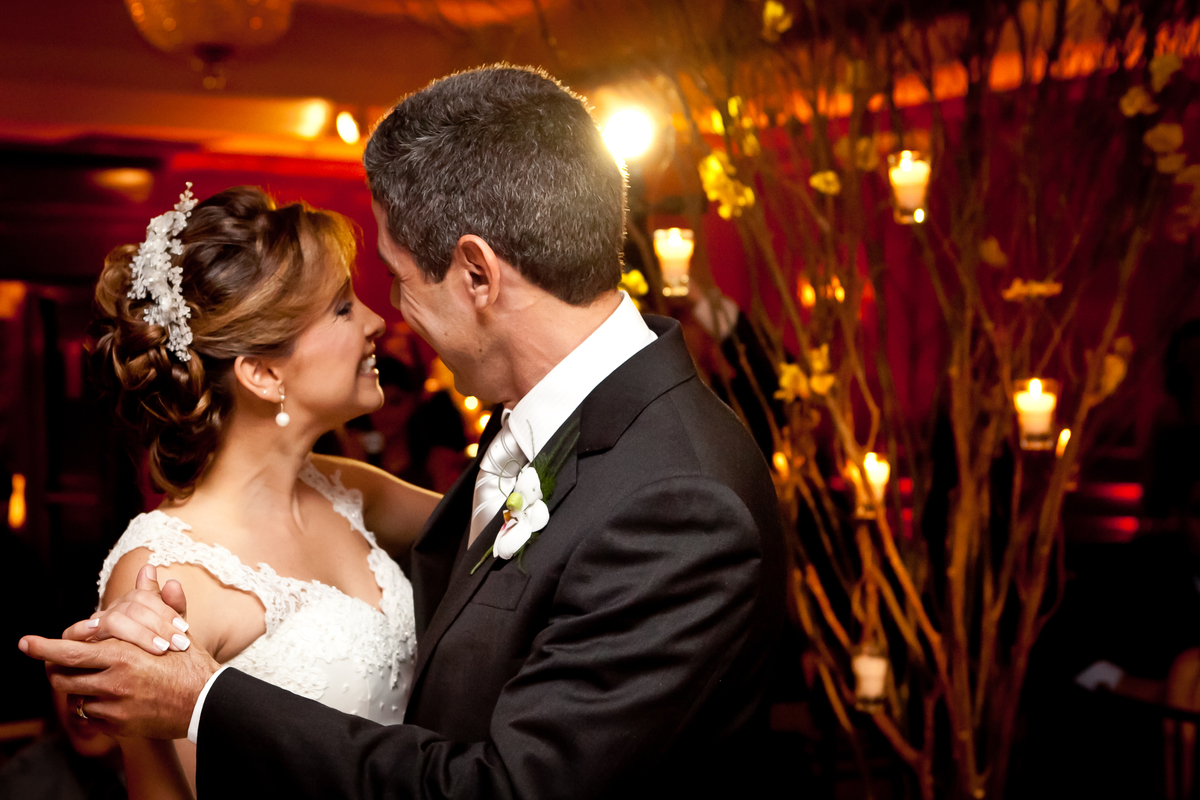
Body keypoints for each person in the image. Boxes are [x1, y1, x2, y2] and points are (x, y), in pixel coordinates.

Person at [22, 65, 785, 799]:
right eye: (350, 303)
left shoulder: (673, 495)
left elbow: (512, 786)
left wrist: (203, 701)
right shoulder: (547, 431)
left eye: (393, 278)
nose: (387, 317)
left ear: (478, 275)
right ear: (260, 370)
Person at [52, 185, 441, 797]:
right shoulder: (162, 572)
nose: (375, 322)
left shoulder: (348, 491)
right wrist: (132, 722)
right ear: (262, 373)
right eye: (342, 307)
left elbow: (507, 526)